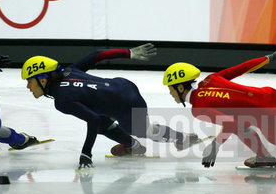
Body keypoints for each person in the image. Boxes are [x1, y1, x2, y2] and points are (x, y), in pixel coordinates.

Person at [21, 44, 198, 169]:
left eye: (30, 81)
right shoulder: (70, 71)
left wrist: (86, 154)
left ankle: (181, 138)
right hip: (124, 86)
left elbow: (93, 120)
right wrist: (128, 53)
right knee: (102, 119)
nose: (28, 87)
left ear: (43, 79)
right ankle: (132, 145)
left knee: (142, 130)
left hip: (126, 105)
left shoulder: (61, 100)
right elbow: (98, 55)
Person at [162, 48, 276, 170]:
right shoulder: (210, 79)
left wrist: (215, 146)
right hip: (271, 95)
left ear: (180, 87)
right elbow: (241, 68)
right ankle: (264, 157)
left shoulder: (198, 108)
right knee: (242, 127)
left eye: (170, 88)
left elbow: (229, 123)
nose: (170, 93)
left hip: (267, 112)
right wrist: (269, 58)